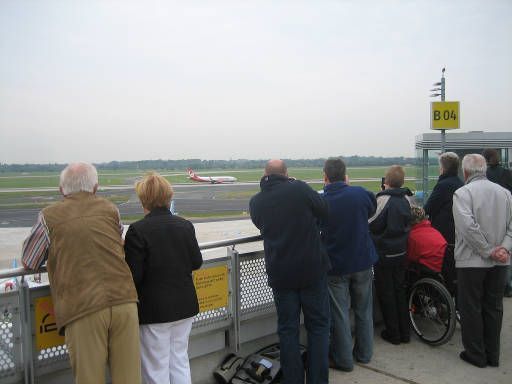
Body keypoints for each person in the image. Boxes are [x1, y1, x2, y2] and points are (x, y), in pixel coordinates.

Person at [21, 162, 140, 384]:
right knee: (130, 378)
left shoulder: (49, 216)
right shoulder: (110, 209)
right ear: (95, 188)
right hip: (125, 300)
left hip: (84, 307)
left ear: (61, 190)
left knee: (89, 378)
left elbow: (29, 260)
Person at [250, 159, 330, 384]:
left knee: (287, 330)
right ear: (286, 174)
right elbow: (325, 209)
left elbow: (262, 225)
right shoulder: (299, 188)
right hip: (312, 270)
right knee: (319, 326)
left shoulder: (256, 202)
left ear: (265, 174)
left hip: (281, 274)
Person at [124, 172, 203, 384]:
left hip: (154, 310)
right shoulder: (185, 225)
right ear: (169, 197)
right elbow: (196, 262)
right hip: (184, 305)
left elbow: (134, 275)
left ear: (143, 199)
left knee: (155, 367)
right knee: (179, 361)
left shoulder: (137, 230)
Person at [453, 154, 512, 368]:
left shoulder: (462, 193)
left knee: (471, 308)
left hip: (471, 262)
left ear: (465, 172)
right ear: (485, 170)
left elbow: (467, 228)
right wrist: (503, 248)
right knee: (494, 307)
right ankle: (493, 354)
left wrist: (488, 250)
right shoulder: (505, 193)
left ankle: (476, 354)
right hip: (500, 261)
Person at [320, 158, 378, 372]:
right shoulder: (361, 193)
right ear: (346, 176)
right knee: (364, 310)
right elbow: (371, 210)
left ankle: (343, 360)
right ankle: (364, 354)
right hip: (363, 261)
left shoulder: (322, 199)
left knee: (340, 314)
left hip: (336, 266)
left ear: (325, 177)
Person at [369, 165, 412, 345]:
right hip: (401, 251)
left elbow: (371, 222)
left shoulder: (383, 199)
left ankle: (393, 333)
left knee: (386, 293)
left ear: (386, 182)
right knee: (400, 291)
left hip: (384, 254)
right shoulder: (407, 198)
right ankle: (405, 332)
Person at [424, 152, 463, 295]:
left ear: (442, 168)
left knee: (446, 270)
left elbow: (428, 208)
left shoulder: (443, 186)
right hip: (457, 232)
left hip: (444, 234)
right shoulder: (460, 183)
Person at [483, 148, 512, 297]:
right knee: (506, 249)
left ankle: (493, 284)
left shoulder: (485, 175)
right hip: (506, 214)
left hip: (489, 216)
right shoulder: (507, 173)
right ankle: (507, 286)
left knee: (491, 249)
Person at [407, 206, 447, 274]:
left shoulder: (412, 236)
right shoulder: (435, 231)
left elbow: (410, 258)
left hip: (429, 269)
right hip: (444, 267)